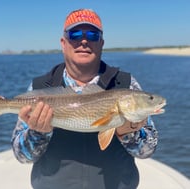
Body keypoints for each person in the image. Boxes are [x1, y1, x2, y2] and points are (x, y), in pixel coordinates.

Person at [11, 9, 158, 189]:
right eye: (75, 34)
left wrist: (127, 133)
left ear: (102, 43)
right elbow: (21, 156)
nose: (83, 41)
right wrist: (38, 133)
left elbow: (148, 150)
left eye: (92, 35)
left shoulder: (126, 86)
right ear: (63, 43)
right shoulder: (40, 89)